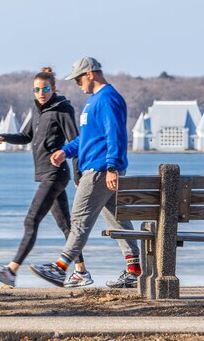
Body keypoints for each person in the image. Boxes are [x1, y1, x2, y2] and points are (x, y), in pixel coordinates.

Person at [29, 56, 141, 289]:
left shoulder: (108, 99)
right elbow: (87, 138)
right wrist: (66, 151)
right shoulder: (94, 101)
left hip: (100, 170)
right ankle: (135, 270)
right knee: (118, 220)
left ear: (90, 73)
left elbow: (116, 135)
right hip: (99, 167)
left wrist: (112, 167)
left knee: (79, 219)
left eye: (79, 79)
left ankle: (61, 268)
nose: (77, 84)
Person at [0, 67, 86, 287]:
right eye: (37, 89)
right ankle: (81, 271)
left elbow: (76, 144)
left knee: (31, 221)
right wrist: (5, 137)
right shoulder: (37, 110)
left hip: (55, 174)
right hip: (45, 175)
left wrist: (78, 175)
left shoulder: (62, 110)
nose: (41, 92)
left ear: (54, 89)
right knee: (65, 225)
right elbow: (26, 136)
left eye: (46, 88)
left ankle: (11, 270)